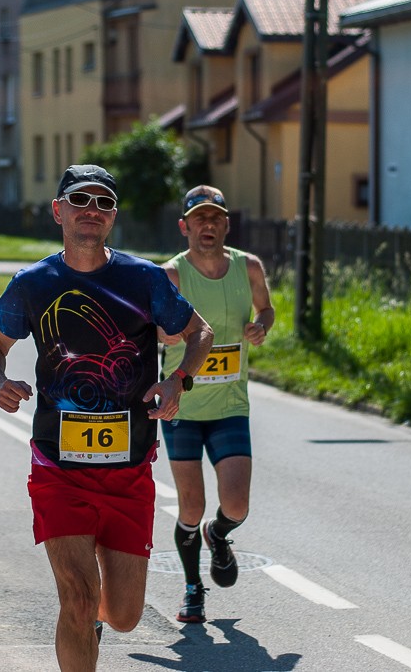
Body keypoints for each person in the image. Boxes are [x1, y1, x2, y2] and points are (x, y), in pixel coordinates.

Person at [0, 165, 213, 671]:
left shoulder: (144, 278)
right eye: (80, 199)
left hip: (128, 473)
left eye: (104, 202)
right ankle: (82, 622)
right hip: (58, 471)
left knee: (125, 616)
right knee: (79, 602)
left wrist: (177, 380)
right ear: (59, 210)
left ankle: (94, 624)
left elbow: (201, 333)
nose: (92, 209)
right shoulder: (33, 283)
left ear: (112, 218)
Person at [159, 186, 275, 623]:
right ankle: (193, 589)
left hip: (230, 404)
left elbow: (267, 309)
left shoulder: (249, 268)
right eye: (199, 219)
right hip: (182, 408)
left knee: (237, 505)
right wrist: (163, 334)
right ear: (184, 226)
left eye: (216, 219)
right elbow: (147, 327)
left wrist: (261, 325)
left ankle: (218, 535)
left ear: (227, 224)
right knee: (190, 506)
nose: (208, 226)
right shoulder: (170, 276)